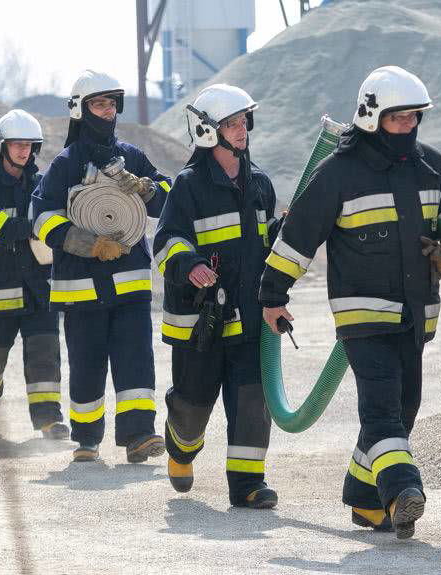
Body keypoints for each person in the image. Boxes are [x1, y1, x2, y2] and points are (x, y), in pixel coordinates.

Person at [260, 66, 441, 537]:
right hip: (363, 319)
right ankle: (403, 491)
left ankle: (363, 498)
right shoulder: (338, 172)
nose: (409, 127)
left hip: (417, 313)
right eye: (399, 119)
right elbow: (297, 239)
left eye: (415, 118)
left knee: (405, 408)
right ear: (372, 117)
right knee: (380, 409)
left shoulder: (432, 166)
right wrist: (273, 296)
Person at [32, 70, 171, 463]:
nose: (107, 111)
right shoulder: (65, 164)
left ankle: (139, 435)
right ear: (80, 110)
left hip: (129, 287)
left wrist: (146, 188)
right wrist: (86, 243)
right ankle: (87, 440)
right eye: (98, 103)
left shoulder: (134, 157)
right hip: (80, 288)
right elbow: (41, 216)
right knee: (87, 365)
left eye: (111, 103)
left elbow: (170, 199)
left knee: (135, 361)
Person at [153, 84, 281, 509]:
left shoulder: (259, 183)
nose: (241, 130)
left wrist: (286, 234)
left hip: (246, 317)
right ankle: (180, 444)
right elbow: (167, 239)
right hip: (199, 324)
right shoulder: (187, 187)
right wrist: (189, 265)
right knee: (193, 405)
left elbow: (264, 244)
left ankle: (247, 484)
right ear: (209, 131)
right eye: (231, 123)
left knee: (251, 400)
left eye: (244, 120)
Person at [0, 109, 68, 439]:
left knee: (44, 357)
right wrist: (28, 227)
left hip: (39, 291)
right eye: (17, 144)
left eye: (29, 145)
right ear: (1, 146)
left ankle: (49, 420)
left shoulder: (42, 186)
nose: (24, 151)